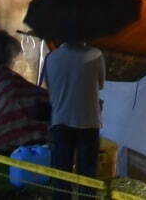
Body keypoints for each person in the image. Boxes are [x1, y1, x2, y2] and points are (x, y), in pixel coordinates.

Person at [43, 40, 104, 187]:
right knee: (87, 177)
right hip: (88, 121)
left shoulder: (52, 58)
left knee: (61, 175)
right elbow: (100, 84)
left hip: (60, 121)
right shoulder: (96, 55)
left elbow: (49, 86)